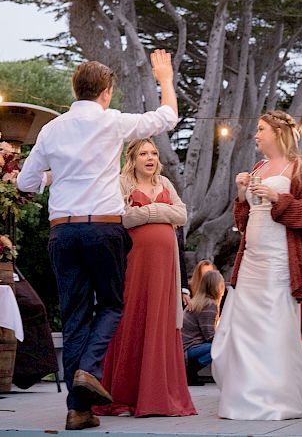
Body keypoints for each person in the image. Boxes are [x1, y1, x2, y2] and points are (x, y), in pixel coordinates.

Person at [16, 50, 178, 431]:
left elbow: (25, 183)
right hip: (104, 228)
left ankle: (78, 411)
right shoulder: (113, 122)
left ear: (76, 90)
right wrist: (165, 78)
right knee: (110, 305)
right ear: (106, 92)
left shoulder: (51, 129)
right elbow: (167, 117)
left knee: (74, 317)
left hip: (64, 230)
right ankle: (88, 371)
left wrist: (53, 177)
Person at [211, 110, 302, 421]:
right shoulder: (257, 167)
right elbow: (242, 223)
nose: (256, 135)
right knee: (244, 326)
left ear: (277, 132)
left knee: (273, 325)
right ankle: (242, 398)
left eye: (261, 129)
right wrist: (240, 195)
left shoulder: (301, 169)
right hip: (252, 259)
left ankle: (276, 399)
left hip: (281, 260)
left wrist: (277, 197)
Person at [93, 139, 196, 417]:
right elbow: (121, 217)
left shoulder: (165, 183)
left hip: (164, 269)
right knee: (131, 318)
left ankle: (158, 397)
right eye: (143, 153)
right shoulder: (121, 182)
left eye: (153, 153)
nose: (149, 158)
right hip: (133, 264)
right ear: (133, 158)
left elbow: (182, 213)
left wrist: (146, 213)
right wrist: (159, 212)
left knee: (160, 323)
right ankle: (123, 397)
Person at [182, 270, 225, 386]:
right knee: (219, 347)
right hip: (187, 349)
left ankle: (190, 373)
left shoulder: (198, 301)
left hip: (183, 346)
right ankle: (190, 372)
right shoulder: (209, 305)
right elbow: (210, 336)